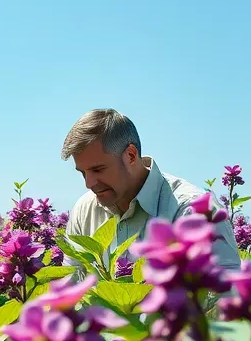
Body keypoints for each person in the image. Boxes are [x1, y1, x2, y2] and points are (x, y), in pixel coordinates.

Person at [60, 108, 240, 271]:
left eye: (98, 170)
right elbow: (71, 285)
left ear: (130, 155)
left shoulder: (190, 209)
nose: (89, 183)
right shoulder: (84, 210)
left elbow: (222, 298)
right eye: (82, 173)